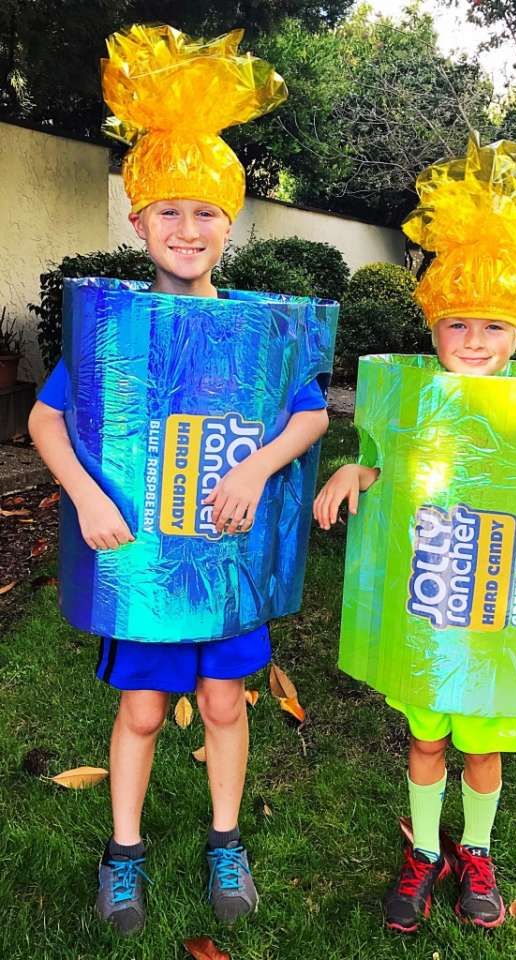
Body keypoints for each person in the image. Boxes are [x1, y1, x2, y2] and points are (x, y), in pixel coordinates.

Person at [29, 24, 328, 937]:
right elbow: (48, 417)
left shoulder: (260, 329)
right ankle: (125, 852)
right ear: (137, 221)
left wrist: (258, 464)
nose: (187, 229)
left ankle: (223, 837)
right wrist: (84, 494)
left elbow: (309, 412)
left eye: (204, 212)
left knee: (227, 701)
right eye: (168, 212)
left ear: (229, 225)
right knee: (146, 709)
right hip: (147, 566)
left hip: (227, 566)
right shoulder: (112, 330)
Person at [313, 138, 516, 935]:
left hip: (495, 614)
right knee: (424, 735)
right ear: (434, 328)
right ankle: (424, 849)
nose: (473, 341)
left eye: (491, 326)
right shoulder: (416, 398)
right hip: (428, 604)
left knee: (483, 743)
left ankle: (473, 848)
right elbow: (390, 463)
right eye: (456, 325)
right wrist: (353, 474)